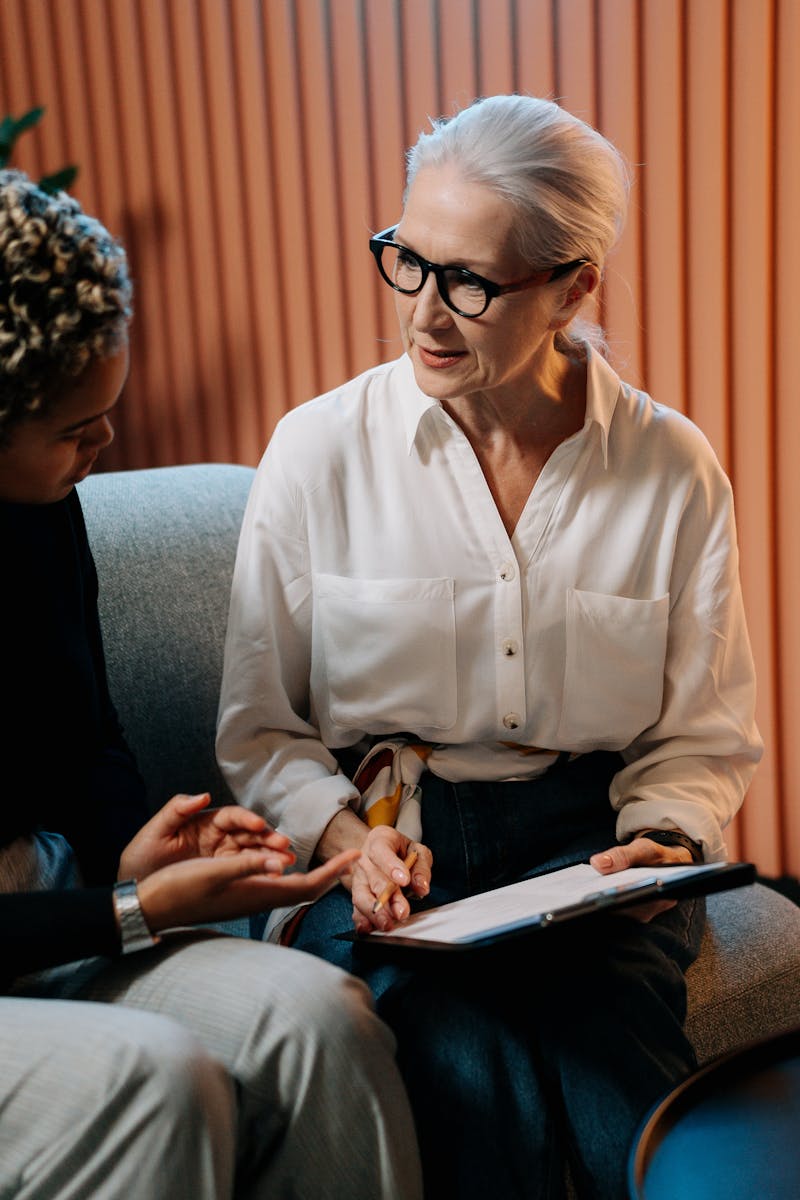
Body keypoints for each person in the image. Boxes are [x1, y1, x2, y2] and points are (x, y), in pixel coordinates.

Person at [216, 94, 764, 1199]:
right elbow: (261, 726)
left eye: (468, 282)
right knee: (466, 1068)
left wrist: (664, 835)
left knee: (633, 1106)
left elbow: (698, 732)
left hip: (588, 854)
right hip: (385, 847)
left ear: (573, 287)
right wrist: (341, 838)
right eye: (406, 261)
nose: (423, 314)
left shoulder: (669, 467)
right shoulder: (317, 451)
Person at [0, 167, 423, 1200]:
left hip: (50, 917)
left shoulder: (44, 511)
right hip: (49, 934)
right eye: (72, 428)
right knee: (154, 1082)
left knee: (319, 1021)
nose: (104, 447)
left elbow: (83, 737)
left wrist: (132, 855)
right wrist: (132, 910)